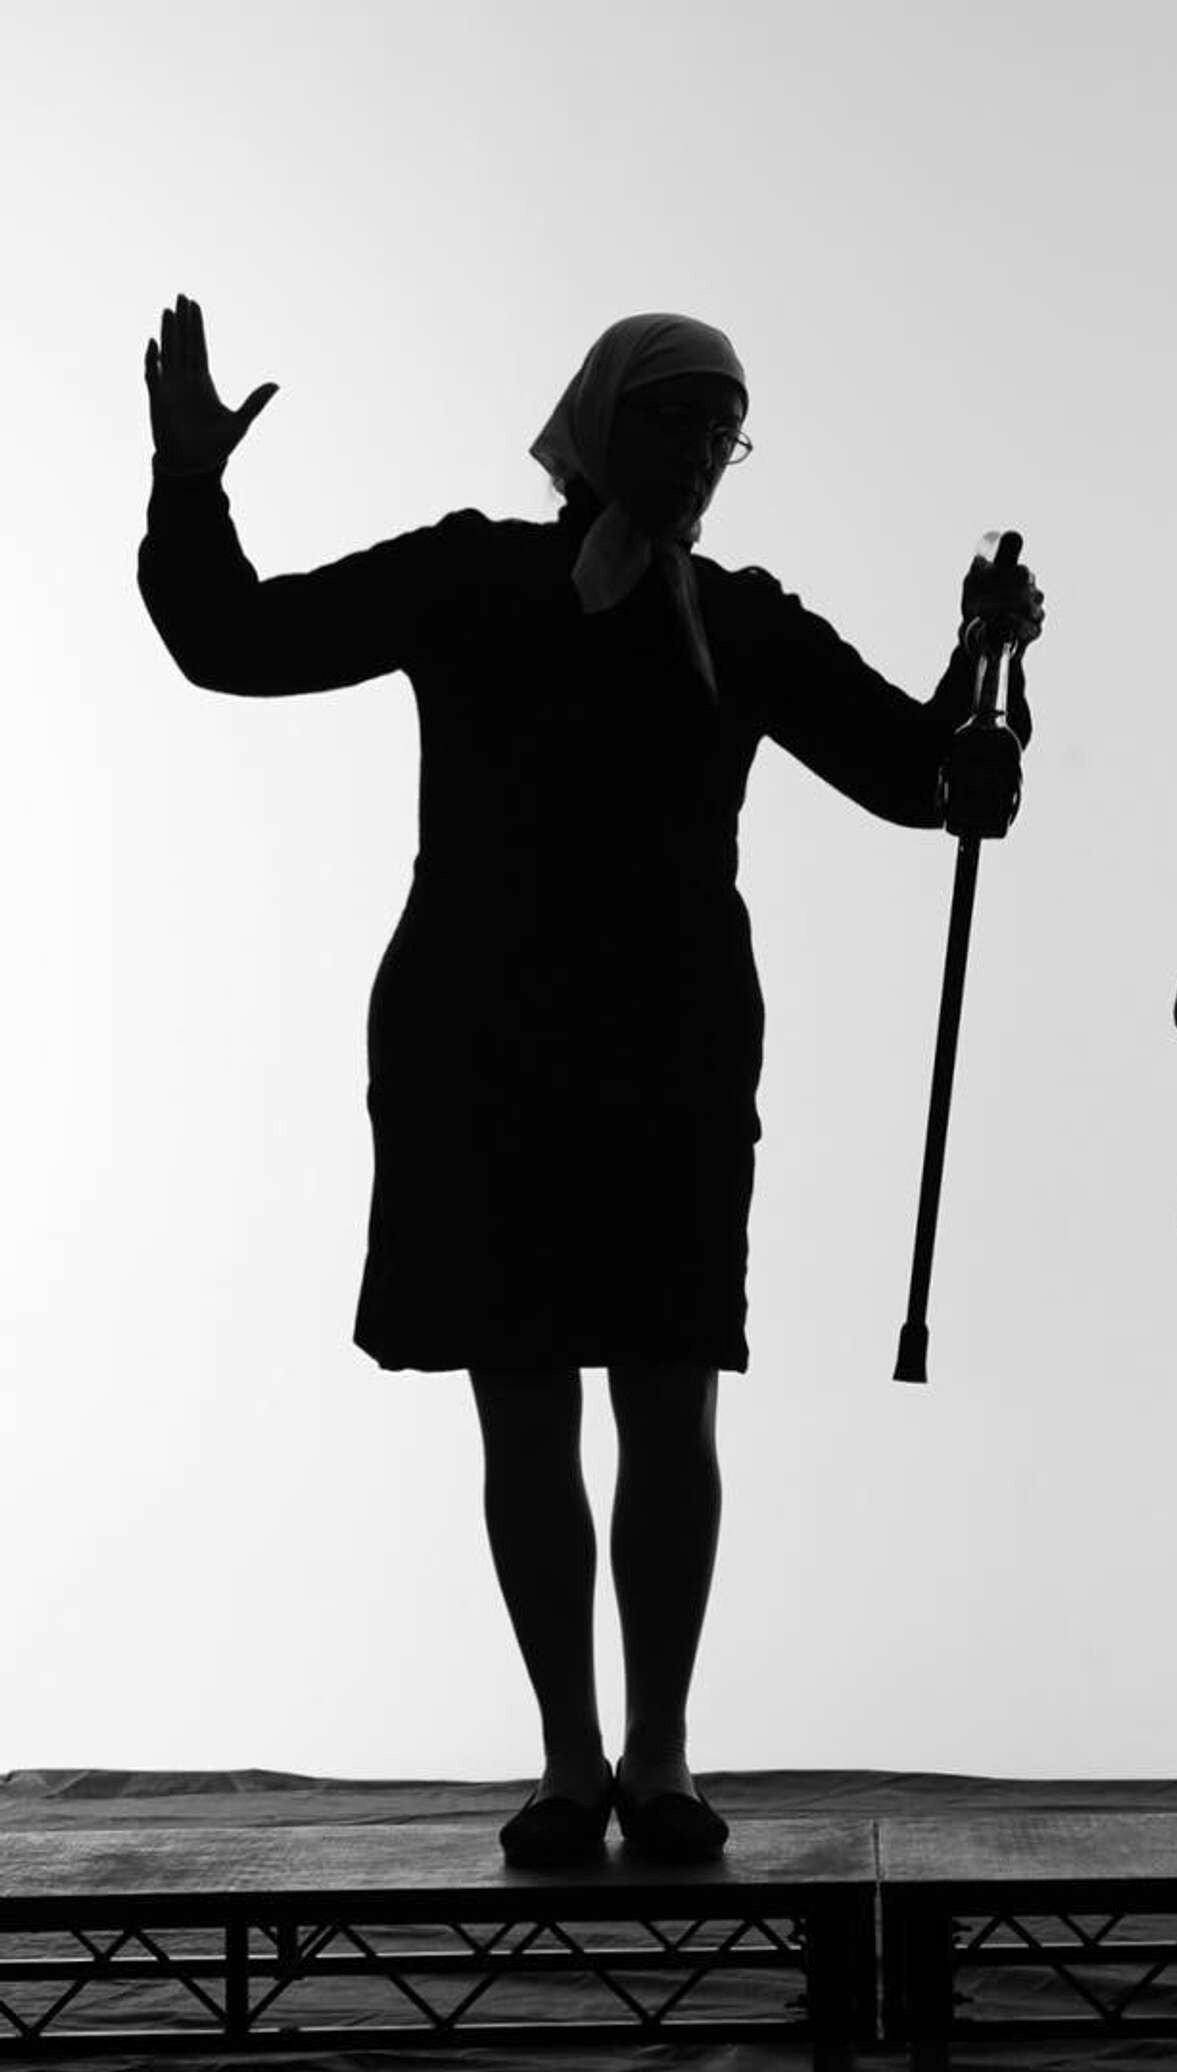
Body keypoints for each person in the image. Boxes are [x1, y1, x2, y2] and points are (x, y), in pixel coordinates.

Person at [138, 296, 1042, 1868]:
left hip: (670, 1047)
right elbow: (238, 642)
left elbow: (923, 780)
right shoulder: (474, 574)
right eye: (676, 417)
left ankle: (660, 1754)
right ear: (599, 422)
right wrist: (187, 480)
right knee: (525, 1407)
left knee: (668, 1398)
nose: (700, 451)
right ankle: (570, 1758)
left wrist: (985, 668)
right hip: (481, 1042)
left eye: (724, 431)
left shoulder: (740, 619)